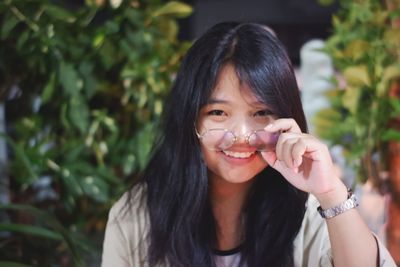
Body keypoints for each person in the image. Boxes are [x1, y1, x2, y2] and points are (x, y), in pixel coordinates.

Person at [101, 22, 396, 267]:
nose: (241, 135)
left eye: (261, 113)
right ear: (190, 118)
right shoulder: (136, 217)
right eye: (218, 113)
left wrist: (330, 192)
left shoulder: (311, 210)